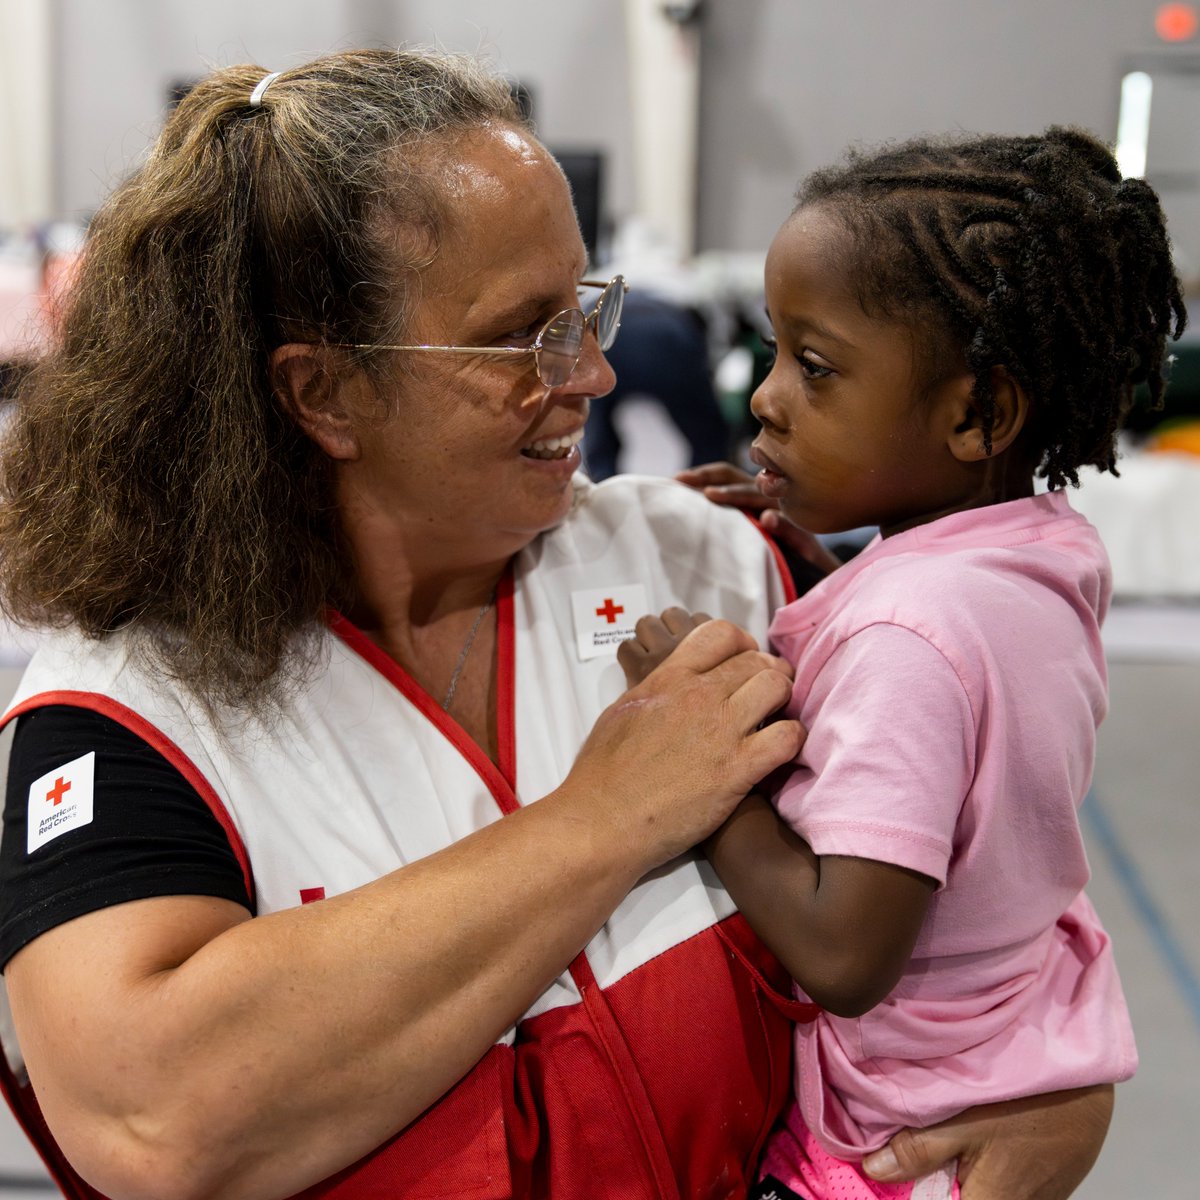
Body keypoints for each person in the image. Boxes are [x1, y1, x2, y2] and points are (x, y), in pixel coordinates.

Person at [0, 50, 1112, 1200]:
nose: (592, 369)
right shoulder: (132, 717)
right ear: (323, 392)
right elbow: (146, 1120)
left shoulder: (723, 562)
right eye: (521, 333)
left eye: (583, 306)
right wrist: (606, 819)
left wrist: (1055, 1080)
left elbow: (988, 875)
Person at [622, 128, 1184, 1200]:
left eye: (817, 369)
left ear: (977, 413)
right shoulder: (1038, 551)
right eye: (776, 352)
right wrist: (809, 559)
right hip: (1005, 1051)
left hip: (878, 1154)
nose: (766, 399)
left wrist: (694, 745)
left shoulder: (907, 637)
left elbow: (842, 952)